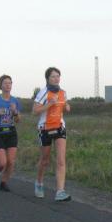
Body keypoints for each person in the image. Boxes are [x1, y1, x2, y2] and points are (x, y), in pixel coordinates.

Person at [32, 67, 72, 202]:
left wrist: (67, 107)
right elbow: (34, 111)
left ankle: (60, 191)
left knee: (61, 160)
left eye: (58, 76)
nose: (56, 79)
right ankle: (39, 183)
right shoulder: (43, 92)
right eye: (53, 76)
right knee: (45, 160)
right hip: (45, 128)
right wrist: (49, 104)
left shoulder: (63, 92)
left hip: (60, 127)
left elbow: (64, 105)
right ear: (47, 78)